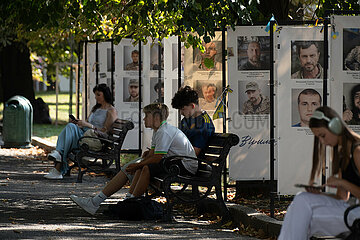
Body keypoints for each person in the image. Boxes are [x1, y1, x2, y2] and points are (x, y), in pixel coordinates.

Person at [70, 87, 215, 215]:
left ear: (192, 105)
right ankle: (118, 202)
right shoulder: (183, 123)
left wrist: (145, 161)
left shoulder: (200, 125)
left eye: (183, 109)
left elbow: (191, 154)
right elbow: (162, 151)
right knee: (137, 166)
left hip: (183, 165)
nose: (182, 114)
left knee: (143, 167)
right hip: (175, 161)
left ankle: (124, 203)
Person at [278, 106, 360, 239]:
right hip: (351, 210)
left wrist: (342, 182)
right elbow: (341, 197)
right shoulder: (341, 152)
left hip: (356, 214)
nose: (322, 142)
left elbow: (347, 190)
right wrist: (320, 195)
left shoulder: (357, 151)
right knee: (302, 199)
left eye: (322, 136)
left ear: (335, 126)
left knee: (303, 212)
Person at [45, 84, 117, 179]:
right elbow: (87, 122)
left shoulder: (111, 111)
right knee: (71, 126)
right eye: (95, 95)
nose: (96, 97)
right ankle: (58, 157)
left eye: (98, 95)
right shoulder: (96, 108)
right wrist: (79, 122)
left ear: (105, 95)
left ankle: (58, 165)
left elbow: (105, 131)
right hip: (85, 135)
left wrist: (89, 125)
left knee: (68, 139)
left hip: (95, 140)